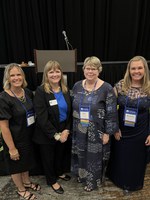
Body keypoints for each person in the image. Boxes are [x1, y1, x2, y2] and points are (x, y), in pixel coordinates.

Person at [71, 56, 119, 192]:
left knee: (94, 158)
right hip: (80, 128)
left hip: (97, 131)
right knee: (81, 154)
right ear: (83, 69)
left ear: (99, 70)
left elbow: (111, 113)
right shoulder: (77, 85)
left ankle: (93, 182)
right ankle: (82, 177)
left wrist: (107, 133)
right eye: (87, 68)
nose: (90, 71)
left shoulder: (106, 88)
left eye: (93, 68)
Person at [108, 56, 150, 194]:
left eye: (139, 68)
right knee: (120, 157)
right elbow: (111, 108)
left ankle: (132, 183)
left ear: (145, 69)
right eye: (133, 68)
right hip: (121, 130)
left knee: (136, 159)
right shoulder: (120, 85)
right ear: (129, 70)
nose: (136, 71)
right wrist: (114, 128)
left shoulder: (149, 87)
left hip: (141, 131)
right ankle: (118, 180)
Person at [0, 63, 41, 200]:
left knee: (26, 162)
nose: (16, 78)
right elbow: (4, 127)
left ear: (23, 77)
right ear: (7, 78)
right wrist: (11, 148)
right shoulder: (3, 98)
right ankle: (21, 189)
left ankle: (27, 182)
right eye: (12, 75)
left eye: (19, 74)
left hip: (27, 137)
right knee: (16, 165)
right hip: (14, 139)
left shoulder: (27, 92)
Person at [33, 60, 72, 194]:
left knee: (59, 155)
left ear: (61, 73)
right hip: (46, 132)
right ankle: (52, 181)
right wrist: (56, 135)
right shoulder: (41, 91)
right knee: (48, 158)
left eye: (57, 71)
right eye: (51, 72)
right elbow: (42, 118)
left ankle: (59, 172)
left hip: (63, 129)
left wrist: (66, 130)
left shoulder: (65, 89)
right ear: (46, 74)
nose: (55, 74)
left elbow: (69, 112)